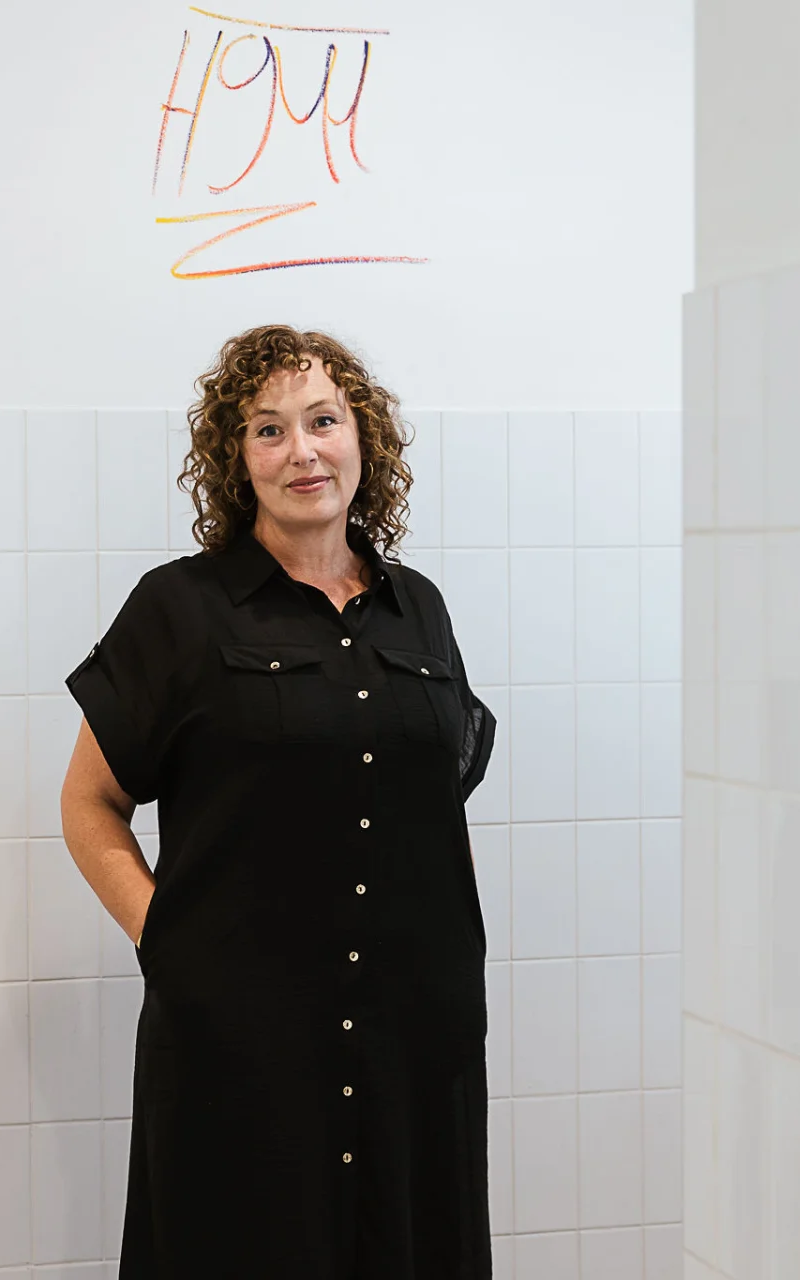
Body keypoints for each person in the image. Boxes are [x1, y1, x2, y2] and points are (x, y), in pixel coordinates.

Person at [61, 324, 497, 1278]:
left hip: (413, 1037)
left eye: (324, 421)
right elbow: (89, 803)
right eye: (269, 429)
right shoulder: (179, 608)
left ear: (363, 437)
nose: (302, 450)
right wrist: (166, 937)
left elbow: (439, 798)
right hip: (241, 1036)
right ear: (237, 459)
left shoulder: (419, 608)